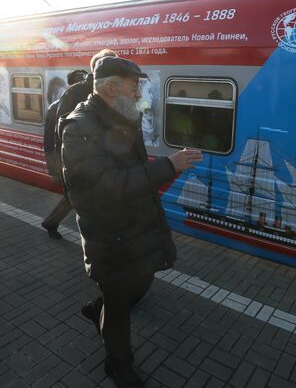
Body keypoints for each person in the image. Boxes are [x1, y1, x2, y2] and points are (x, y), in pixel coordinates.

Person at [59, 56, 203, 388]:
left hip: (135, 226)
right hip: (109, 234)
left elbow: (129, 169)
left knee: (138, 285)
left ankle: (100, 309)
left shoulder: (122, 115)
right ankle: (117, 365)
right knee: (120, 304)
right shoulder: (80, 127)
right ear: (111, 88)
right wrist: (169, 166)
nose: (139, 92)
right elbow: (108, 185)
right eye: (133, 85)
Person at [41, 70, 86, 239]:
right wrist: (54, 168)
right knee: (72, 197)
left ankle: (51, 222)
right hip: (64, 163)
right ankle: (51, 222)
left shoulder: (79, 107)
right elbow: (49, 142)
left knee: (72, 197)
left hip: (74, 162)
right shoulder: (56, 108)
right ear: (70, 86)